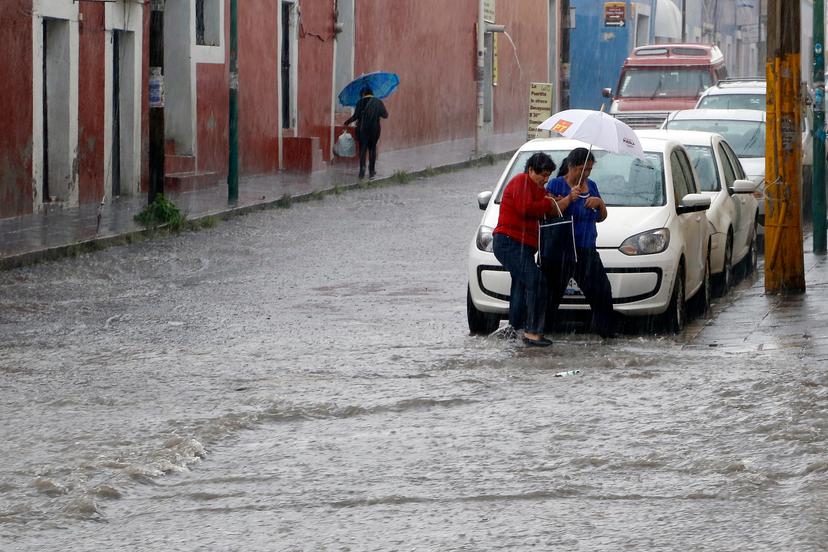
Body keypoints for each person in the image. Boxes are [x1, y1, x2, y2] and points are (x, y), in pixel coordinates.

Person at [492, 152, 580, 347]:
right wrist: (547, 203)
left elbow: (549, 209)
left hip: (523, 246)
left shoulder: (538, 189)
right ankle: (532, 333)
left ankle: (514, 330)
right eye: (542, 175)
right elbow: (526, 208)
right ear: (531, 170)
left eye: (548, 175)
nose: (545, 179)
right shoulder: (521, 181)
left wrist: (559, 200)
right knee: (537, 282)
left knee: (520, 286)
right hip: (509, 242)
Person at [543, 147, 615, 338]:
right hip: (562, 250)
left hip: (586, 248)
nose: (586, 174)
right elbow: (547, 213)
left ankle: (606, 332)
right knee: (551, 294)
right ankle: (542, 331)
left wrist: (599, 203)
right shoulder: (556, 185)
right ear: (571, 166)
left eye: (590, 170)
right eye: (582, 169)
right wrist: (568, 198)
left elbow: (601, 218)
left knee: (601, 290)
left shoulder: (591, 185)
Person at [343, 86, 388, 179]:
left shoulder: (360, 102)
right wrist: (377, 113)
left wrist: (347, 122)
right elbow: (385, 115)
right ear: (372, 93)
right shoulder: (378, 102)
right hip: (375, 130)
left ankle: (362, 171)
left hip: (362, 129)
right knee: (372, 149)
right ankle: (371, 171)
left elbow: (355, 116)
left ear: (363, 93)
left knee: (363, 149)